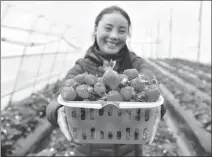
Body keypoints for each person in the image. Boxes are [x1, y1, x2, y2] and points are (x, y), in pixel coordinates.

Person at [46, 5, 166, 156]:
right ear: (96, 29)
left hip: (129, 151)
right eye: (108, 28)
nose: (114, 36)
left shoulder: (135, 64)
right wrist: (57, 108)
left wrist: (156, 105)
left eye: (122, 31)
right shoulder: (82, 67)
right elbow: (61, 93)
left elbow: (148, 79)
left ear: (127, 35)